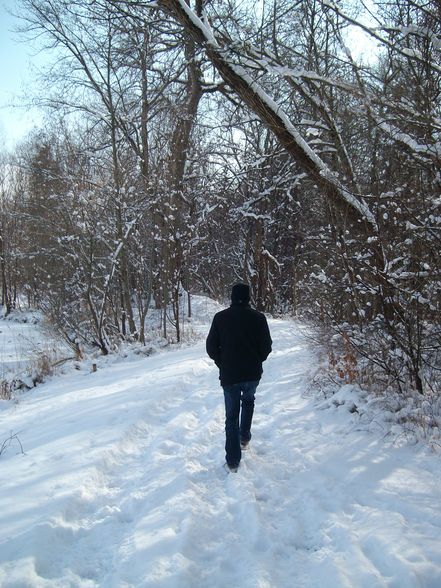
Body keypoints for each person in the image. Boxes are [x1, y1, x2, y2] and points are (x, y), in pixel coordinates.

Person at [206, 283, 272, 472]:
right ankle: (244, 438)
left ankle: (233, 461)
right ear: (249, 297)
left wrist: (222, 362)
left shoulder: (220, 318)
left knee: (231, 417)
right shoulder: (259, 318)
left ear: (232, 297)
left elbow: (211, 347)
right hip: (252, 374)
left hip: (230, 375)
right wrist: (256, 360)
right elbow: (266, 346)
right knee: (249, 401)